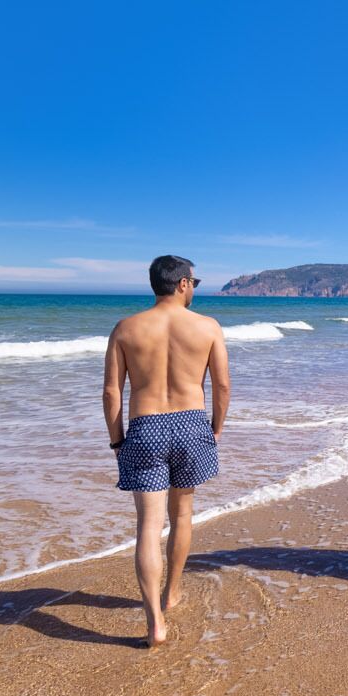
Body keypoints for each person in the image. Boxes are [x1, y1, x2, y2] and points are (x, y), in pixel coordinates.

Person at [103, 255, 229, 647]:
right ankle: (171, 592)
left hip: (145, 427)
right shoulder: (207, 327)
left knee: (148, 527)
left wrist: (117, 440)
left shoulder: (126, 329)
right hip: (192, 424)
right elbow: (222, 387)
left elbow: (111, 392)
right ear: (183, 285)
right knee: (183, 515)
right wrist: (215, 431)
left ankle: (154, 622)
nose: (195, 288)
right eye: (195, 282)